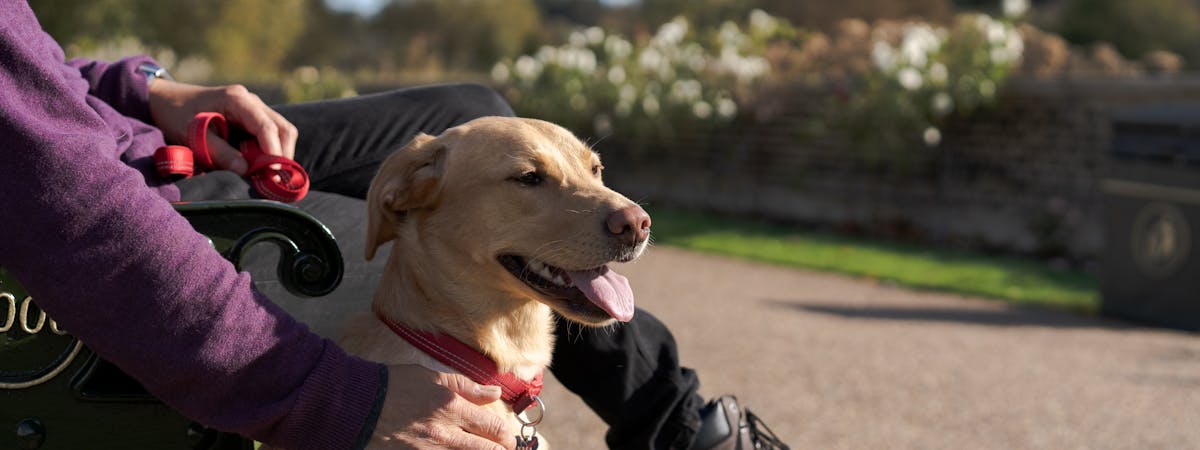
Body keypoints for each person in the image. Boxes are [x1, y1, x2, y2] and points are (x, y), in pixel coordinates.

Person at [0, 2, 774, 449]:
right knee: (470, 123)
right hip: (121, 175)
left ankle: (677, 425)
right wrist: (333, 395)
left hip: (128, 133)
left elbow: (35, 78)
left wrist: (147, 86)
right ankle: (684, 429)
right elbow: (60, 187)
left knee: (472, 108)